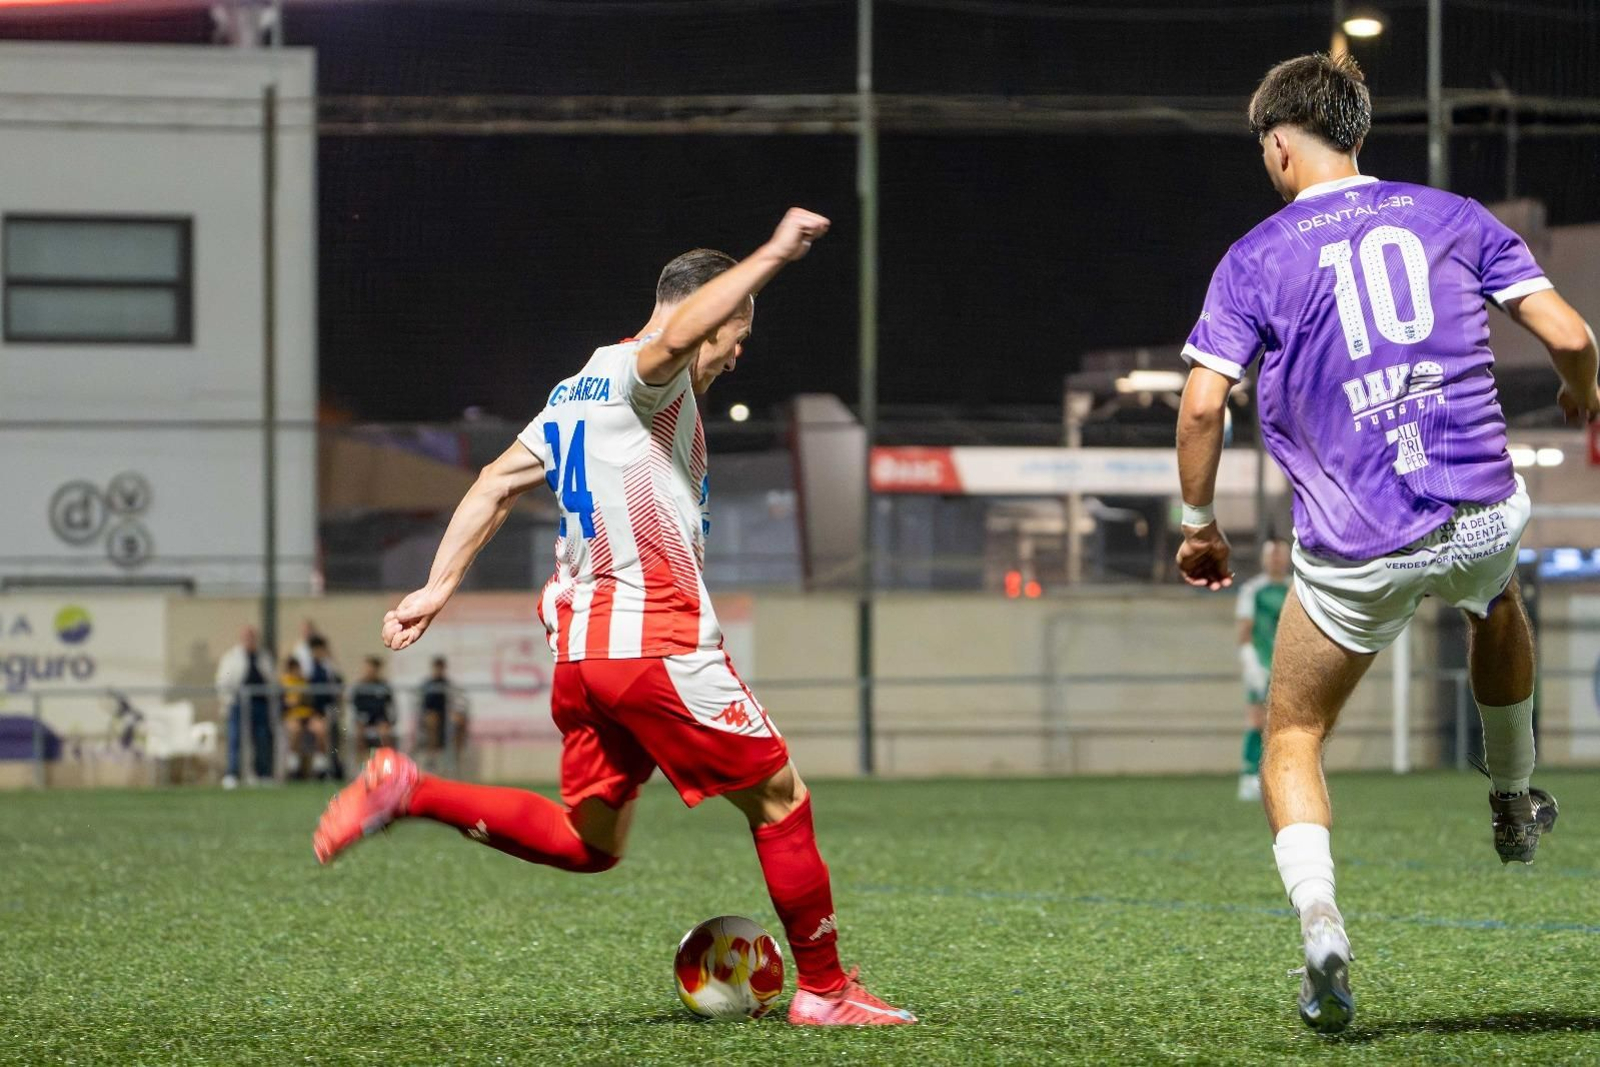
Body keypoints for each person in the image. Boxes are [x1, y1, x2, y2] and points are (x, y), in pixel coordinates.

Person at [314, 208, 914, 1026]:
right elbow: (672, 339)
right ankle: (826, 989)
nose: (740, 350)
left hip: (584, 659)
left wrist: (435, 586)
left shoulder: (574, 390)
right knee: (781, 798)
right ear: (700, 312)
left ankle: (409, 789)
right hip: (654, 640)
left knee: (589, 842)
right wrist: (773, 254)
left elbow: (493, 482)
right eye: (737, 328)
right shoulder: (645, 370)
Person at [1174, 52, 1598, 1034]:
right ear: (1358, 136)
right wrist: (1580, 391)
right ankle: (1511, 791)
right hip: (1478, 507)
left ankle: (1321, 922)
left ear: (1278, 146)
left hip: (1357, 546)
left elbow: (1202, 406)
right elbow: (1570, 332)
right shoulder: (1452, 216)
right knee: (1495, 596)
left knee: (1293, 733)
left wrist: (1198, 524)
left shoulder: (1255, 256)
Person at [1234, 537, 1291, 802]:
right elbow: (1244, 632)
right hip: (1261, 664)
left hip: (1290, 668)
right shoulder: (1252, 591)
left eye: (1280, 554)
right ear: (1264, 559)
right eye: (1272, 555)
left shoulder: (1297, 589)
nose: (1276, 559)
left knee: (1288, 725)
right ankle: (1249, 777)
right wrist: (1250, 662)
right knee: (1257, 721)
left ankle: (1283, 777)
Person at [214, 625, 276, 788]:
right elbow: (223, 681)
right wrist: (228, 700)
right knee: (235, 739)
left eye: (252, 637)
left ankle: (263, 774)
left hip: (260, 704)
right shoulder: (232, 657)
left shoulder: (263, 657)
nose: (250, 640)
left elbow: (271, 679)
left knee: (262, 738)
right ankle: (232, 774)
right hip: (238, 704)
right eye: (247, 637)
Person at [415, 656, 467, 773]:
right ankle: (431, 757)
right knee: (433, 719)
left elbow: (455, 702)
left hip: (446, 717)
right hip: (430, 717)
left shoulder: (448, 684)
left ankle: (455, 758)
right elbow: (422, 706)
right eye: (437, 667)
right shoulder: (427, 685)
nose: (439, 670)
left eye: (441, 668)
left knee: (460, 721)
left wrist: (455, 714)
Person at [281, 656, 328, 781]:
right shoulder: (285, 682)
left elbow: (310, 702)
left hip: (307, 715)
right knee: (295, 731)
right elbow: (285, 703)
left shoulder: (304, 682)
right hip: (293, 716)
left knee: (320, 729)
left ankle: (320, 767)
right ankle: (294, 768)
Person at [305, 635, 345, 781]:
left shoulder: (329, 668)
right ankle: (320, 767)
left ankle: (332, 764)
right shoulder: (308, 668)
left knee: (332, 730)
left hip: (328, 710)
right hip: (312, 712)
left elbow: (338, 686)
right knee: (321, 730)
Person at [350, 656, 397, 761]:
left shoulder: (384, 686)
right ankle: (363, 761)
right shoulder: (359, 687)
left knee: (384, 733)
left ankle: (387, 761)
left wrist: (391, 721)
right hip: (364, 719)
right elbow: (355, 706)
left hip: (380, 718)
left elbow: (391, 706)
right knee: (359, 732)